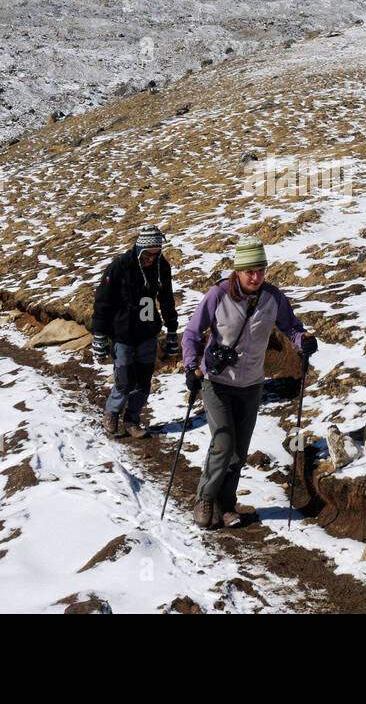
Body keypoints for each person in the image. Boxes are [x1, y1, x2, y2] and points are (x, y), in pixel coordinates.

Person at [181, 236, 317, 529]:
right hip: (217, 380)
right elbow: (192, 332)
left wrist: (302, 341)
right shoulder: (218, 295)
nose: (256, 277)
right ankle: (204, 498)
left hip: (252, 383)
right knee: (223, 440)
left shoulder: (273, 297)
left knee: (240, 449)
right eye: (249, 272)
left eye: (261, 271)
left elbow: (290, 327)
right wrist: (191, 367)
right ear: (237, 272)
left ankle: (226, 504)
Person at [92, 225, 179, 438]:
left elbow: (166, 299)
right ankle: (112, 412)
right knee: (123, 381)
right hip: (122, 334)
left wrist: (172, 331)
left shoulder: (161, 266)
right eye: (148, 254)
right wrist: (100, 335)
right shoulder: (120, 267)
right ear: (140, 249)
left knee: (143, 382)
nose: (152, 259)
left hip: (147, 333)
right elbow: (102, 302)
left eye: (157, 254)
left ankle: (132, 420)